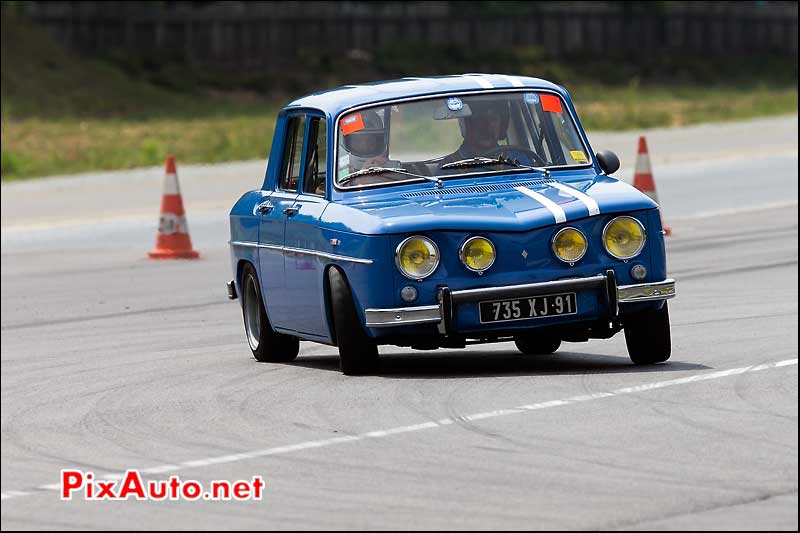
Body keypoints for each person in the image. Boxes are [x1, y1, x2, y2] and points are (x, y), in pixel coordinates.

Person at [441, 99, 510, 165]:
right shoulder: (449, 167)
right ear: (466, 126)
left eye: (492, 119)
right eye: (479, 119)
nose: (486, 126)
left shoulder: (513, 160)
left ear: (502, 125)